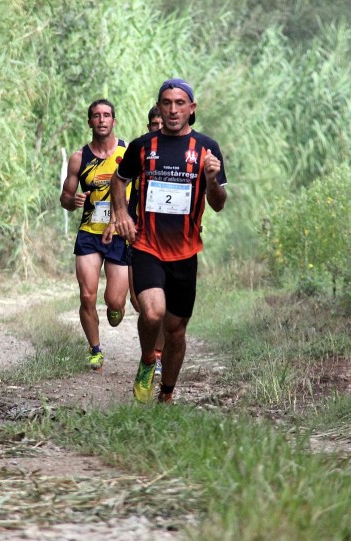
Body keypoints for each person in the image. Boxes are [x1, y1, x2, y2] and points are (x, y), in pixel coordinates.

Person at [107, 79, 228, 403]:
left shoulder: (207, 148)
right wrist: (121, 213)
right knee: (153, 313)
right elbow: (119, 181)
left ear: (191, 109)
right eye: (166, 103)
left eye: (179, 103)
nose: (173, 109)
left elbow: (218, 203)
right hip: (148, 246)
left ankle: (166, 395)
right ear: (159, 107)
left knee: (176, 331)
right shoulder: (143, 146)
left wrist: (212, 180)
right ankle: (148, 360)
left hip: (186, 253)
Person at [60, 99, 131, 371]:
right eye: (96, 116)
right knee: (87, 296)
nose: (101, 120)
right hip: (90, 232)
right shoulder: (79, 158)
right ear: (89, 122)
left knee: (114, 301)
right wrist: (72, 200)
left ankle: (116, 308)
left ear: (114, 121)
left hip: (120, 232)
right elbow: (65, 198)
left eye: (106, 115)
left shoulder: (127, 152)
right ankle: (95, 349)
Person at [126, 106, 166, 375]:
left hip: (177, 245)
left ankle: (159, 358)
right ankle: (149, 357)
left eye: (162, 122)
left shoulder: (187, 157)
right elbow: (130, 207)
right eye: (154, 123)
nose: (159, 127)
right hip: (143, 242)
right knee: (147, 307)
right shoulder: (140, 157)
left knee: (168, 310)